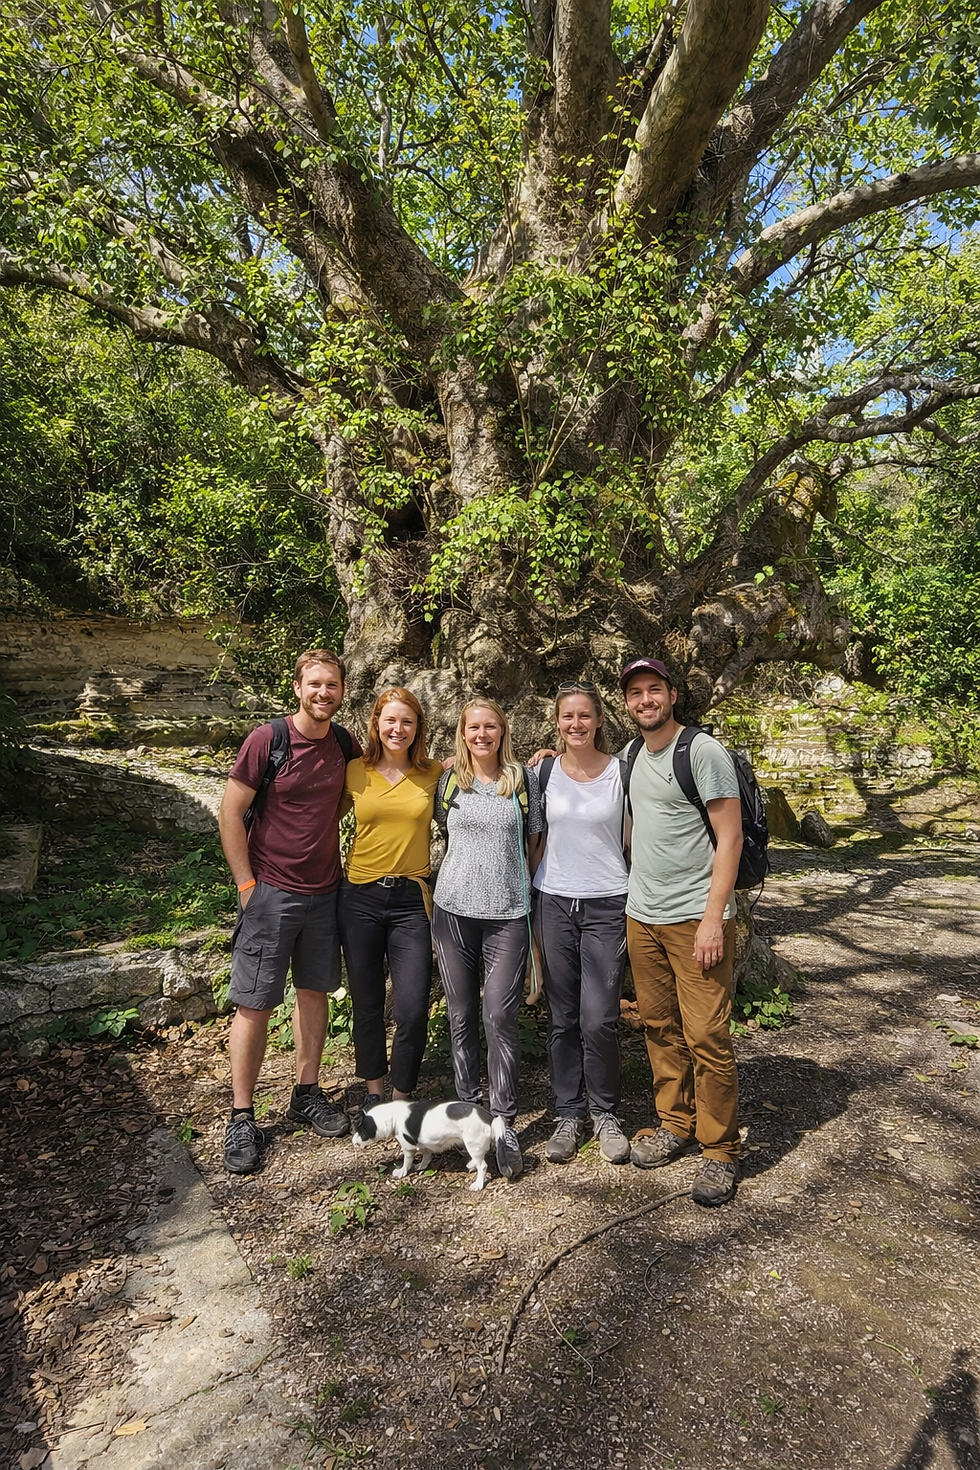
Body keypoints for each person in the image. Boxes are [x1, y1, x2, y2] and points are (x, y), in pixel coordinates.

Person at [217, 649, 361, 1174]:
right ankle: (241, 1115)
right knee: (254, 1003)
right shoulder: (268, 740)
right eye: (315, 684)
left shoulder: (345, 743)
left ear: (342, 691)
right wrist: (246, 885)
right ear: (298, 687)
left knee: (314, 993)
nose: (323, 693)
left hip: (325, 892)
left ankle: (306, 1093)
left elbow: (355, 794)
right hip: (270, 892)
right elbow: (231, 811)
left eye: (332, 685)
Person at [621, 656, 743, 1206]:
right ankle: (674, 1123)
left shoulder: (702, 752)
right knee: (658, 1025)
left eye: (654, 690)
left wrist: (714, 917)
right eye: (635, 693)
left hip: (697, 918)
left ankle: (719, 1152)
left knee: (708, 1036)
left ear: (672, 695)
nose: (645, 700)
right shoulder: (629, 755)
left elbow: (731, 837)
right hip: (642, 915)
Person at [431, 698, 543, 1180]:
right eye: (473, 727)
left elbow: (535, 839)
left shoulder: (522, 781)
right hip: (452, 912)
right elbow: (444, 828)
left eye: (490, 726)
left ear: (503, 731)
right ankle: (468, 1110)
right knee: (460, 1013)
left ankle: (505, 1120)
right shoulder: (448, 780)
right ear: (463, 732)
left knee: (500, 1014)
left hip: (508, 915)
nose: (482, 735)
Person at [533, 682, 631, 1166]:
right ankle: (568, 1114)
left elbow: (635, 839)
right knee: (562, 1017)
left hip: (608, 904)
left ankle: (606, 1112)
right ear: (557, 722)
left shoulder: (622, 773)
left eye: (584, 716)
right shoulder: (544, 771)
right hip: (553, 901)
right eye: (567, 716)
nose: (576, 724)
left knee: (600, 1018)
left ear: (598, 721)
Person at [339, 687, 443, 1108]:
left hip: (410, 902)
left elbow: (484, 777)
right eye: (390, 720)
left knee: (413, 1006)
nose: (398, 729)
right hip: (359, 897)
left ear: (418, 728)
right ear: (376, 724)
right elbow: (317, 818)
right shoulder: (353, 771)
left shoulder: (434, 772)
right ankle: (374, 1094)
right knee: (366, 1001)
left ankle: (402, 1096)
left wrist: (542, 759)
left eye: (407, 721)